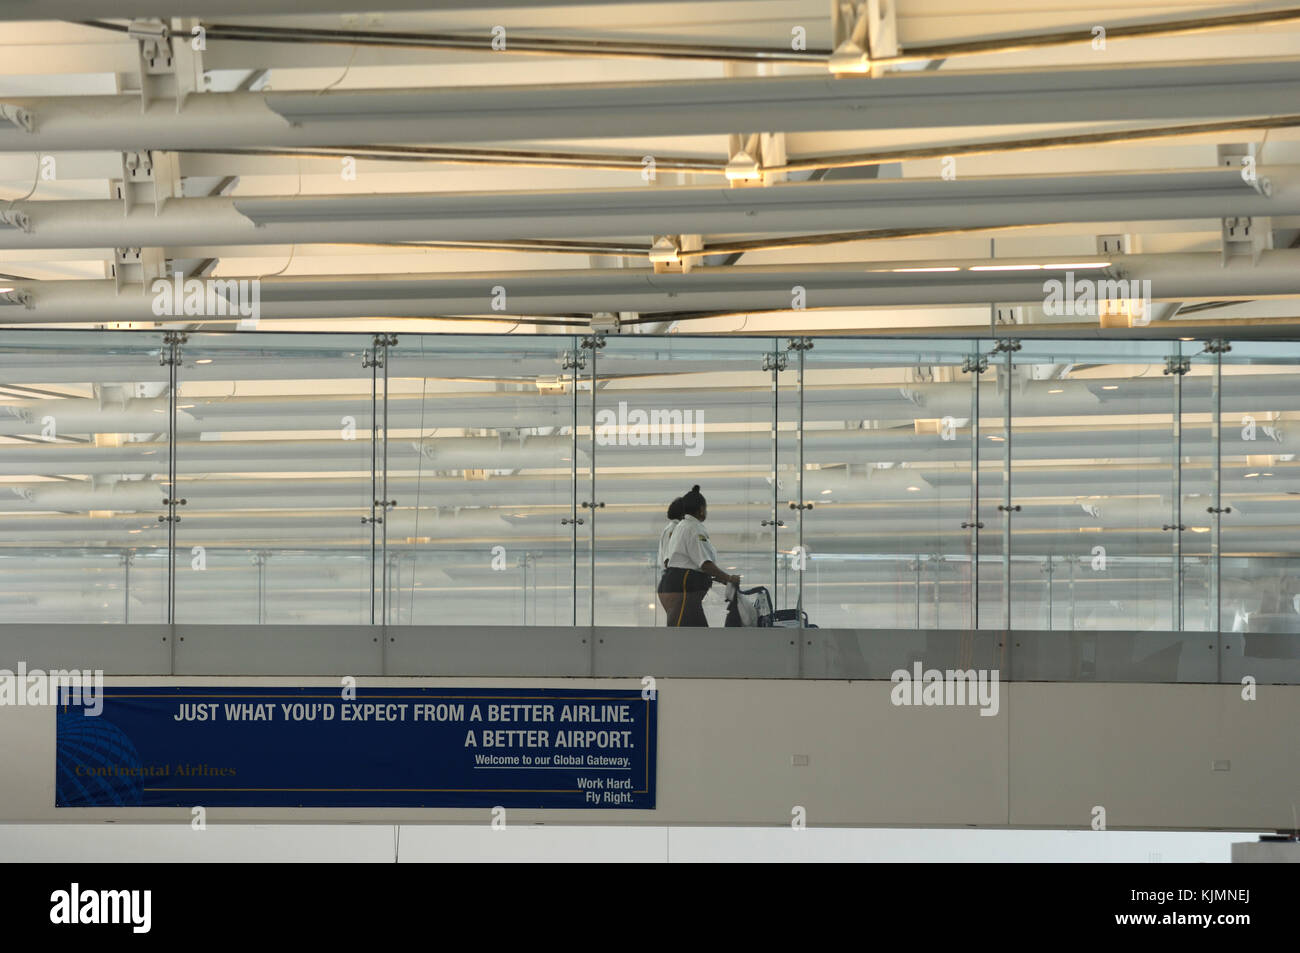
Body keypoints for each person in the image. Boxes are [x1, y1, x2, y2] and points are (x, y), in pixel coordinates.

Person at [658, 485, 740, 627]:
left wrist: (719, 578)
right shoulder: (693, 529)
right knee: (683, 633)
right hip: (683, 589)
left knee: (697, 633)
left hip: (681, 588)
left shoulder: (682, 526)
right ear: (701, 509)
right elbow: (704, 563)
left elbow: (693, 562)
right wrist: (729, 578)